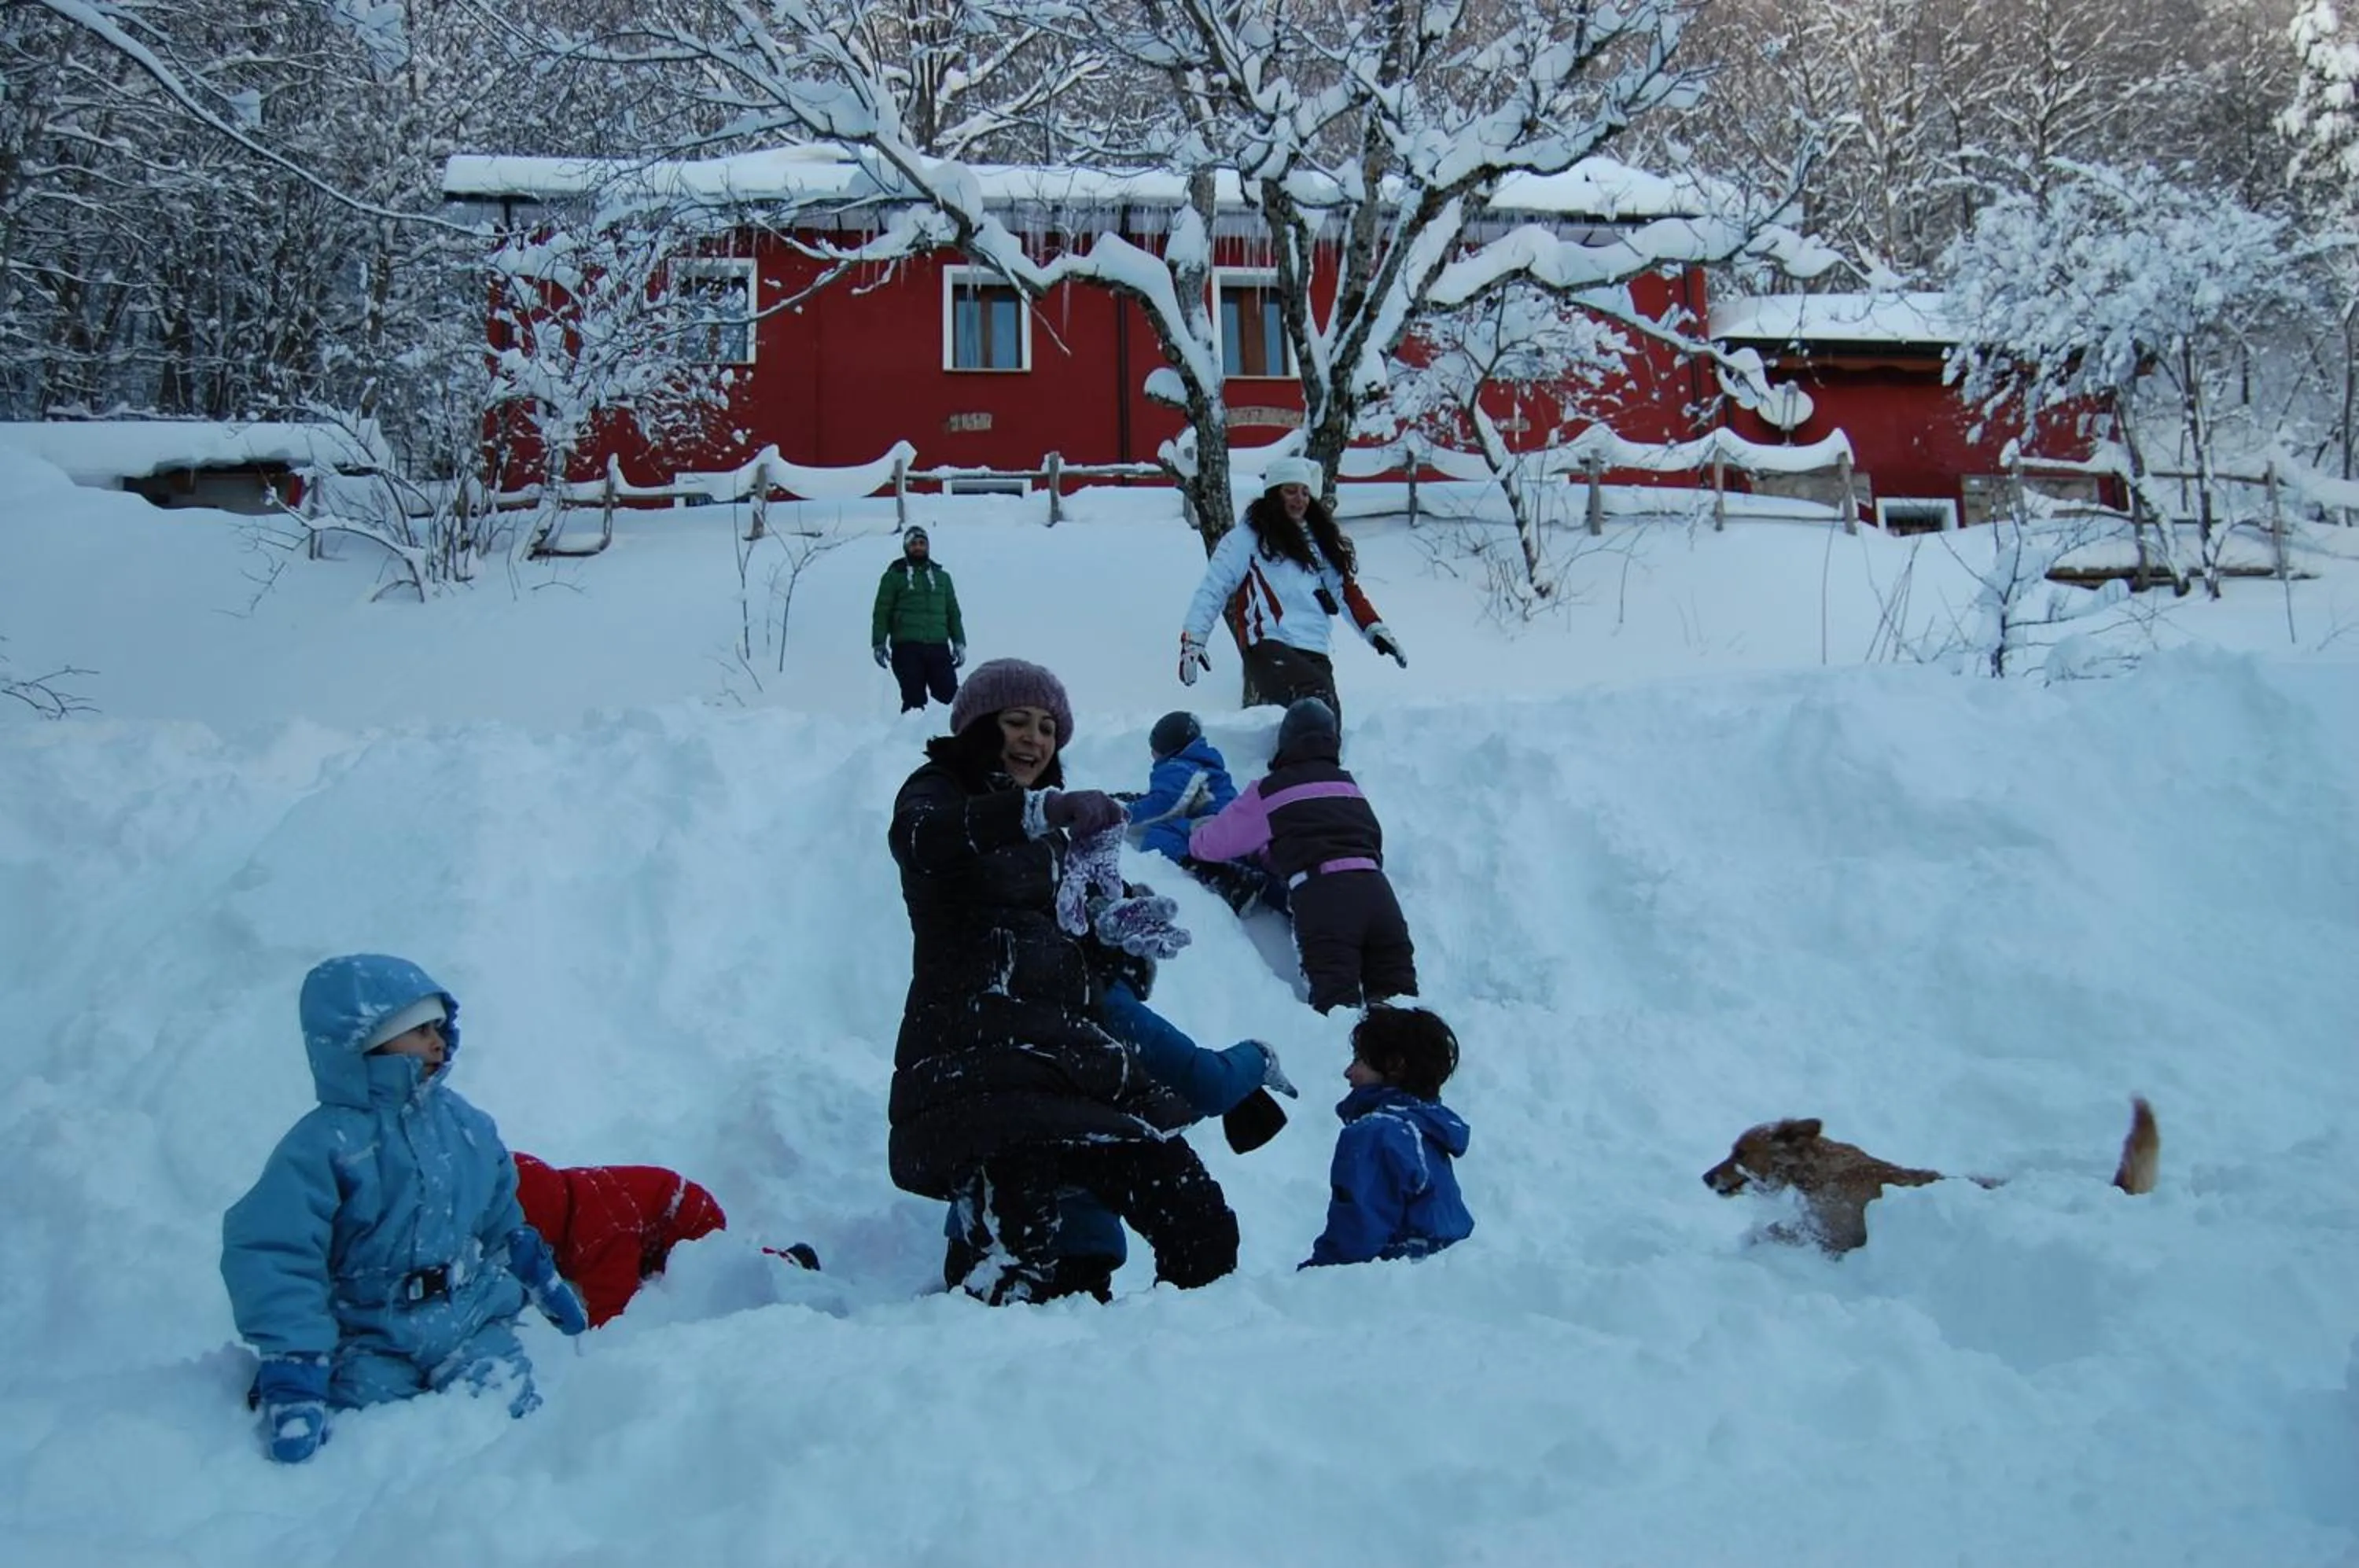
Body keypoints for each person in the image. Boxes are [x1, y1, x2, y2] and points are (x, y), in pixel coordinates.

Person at [885, 657, 1248, 1304]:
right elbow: (920, 839)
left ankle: (1183, 1374)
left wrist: (1116, 939)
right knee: (1025, 1270)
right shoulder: (939, 792)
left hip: (1073, 1066)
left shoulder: (1057, 841)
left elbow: (1070, 949)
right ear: (978, 727)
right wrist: (1032, 812)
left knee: (1202, 1231)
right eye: (1017, 722)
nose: (1035, 740)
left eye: (1049, 728)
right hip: (985, 1067)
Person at [220, 955, 588, 1464]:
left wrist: (534, 1270)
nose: (437, 1041)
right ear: (364, 1041)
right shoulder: (324, 1146)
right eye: (418, 1031)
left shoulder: (464, 1125)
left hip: (468, 1316)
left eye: (439, 1026)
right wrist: (296, 1359)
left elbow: (498, 1209)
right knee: (378, 1445)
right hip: (368, 1330)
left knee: (511, 1429)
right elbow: (276, 1254)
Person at [940, 951, 1299, 1302]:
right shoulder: (1099, 1000)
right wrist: (1259, 1057)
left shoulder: (997, 992)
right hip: (1066, 1251)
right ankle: (1190, 1322)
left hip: (979, 1242)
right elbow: (1207, 1083)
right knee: (1184, 1202)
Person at [1188, 696, 1417, 1014]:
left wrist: (1198, 829)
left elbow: (1212, 845)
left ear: (1286, 742)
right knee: (1400, 1005)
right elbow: (1372, 840)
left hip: (1325, 898)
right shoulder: (1348, 786)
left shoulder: (1272, 789)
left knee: (1339, 1009)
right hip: (1378, 893)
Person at [1176, 455, 1405, 724]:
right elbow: (1213, 588)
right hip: (1269, 645)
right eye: (1291, 491)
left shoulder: (1319, 543)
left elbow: (1346, 592)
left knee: (1329, 721)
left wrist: (1375, 630)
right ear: (1274, 494)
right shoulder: (1246, 538)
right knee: (1315, 700)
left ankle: (1298, 765)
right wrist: (1193, 640)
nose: (1300, 499)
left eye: (1305, 492)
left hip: (1314, 649)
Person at [511, 1154, 819, 1330]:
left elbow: (612, 1310)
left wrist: (602, 1341)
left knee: (706, 1273)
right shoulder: (556, 1198)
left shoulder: (599, 1236)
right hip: (644, 1220)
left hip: (684, 1218)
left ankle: (785, 1262)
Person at [1303, 1004, 1473, 1268]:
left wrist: (1315, 1278)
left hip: (1389, 1287)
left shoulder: (1376, 1133)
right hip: (1442, 1276)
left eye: (1359, 1060)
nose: (1347, 1072)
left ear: (1395, 1065)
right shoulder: (1426, 1127)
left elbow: (1357, 1232)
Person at [1125, 710, 1284, 915]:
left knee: (1161, 835)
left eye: (1154, 746)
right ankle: (1266, 886)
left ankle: (1229, 879)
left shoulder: (1178, 766)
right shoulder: (1198, 763)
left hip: (1214, 824)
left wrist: (1124, 815)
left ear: (1167, 747)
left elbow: (1165, 805)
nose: (1152, 753)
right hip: (1232, 826)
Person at [871, 524, 966, 714]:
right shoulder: (893, 577)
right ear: (906, 547)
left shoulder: (942, 578)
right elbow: (882, 611)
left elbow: (953, 612)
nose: (918, 547)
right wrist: (879, 643)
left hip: (938, 646)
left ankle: (956, 738)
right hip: (906, 646)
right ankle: (909, 742)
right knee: (914, 699)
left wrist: (959, 642)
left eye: (922, 543)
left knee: (949, 696)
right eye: (914, 543)